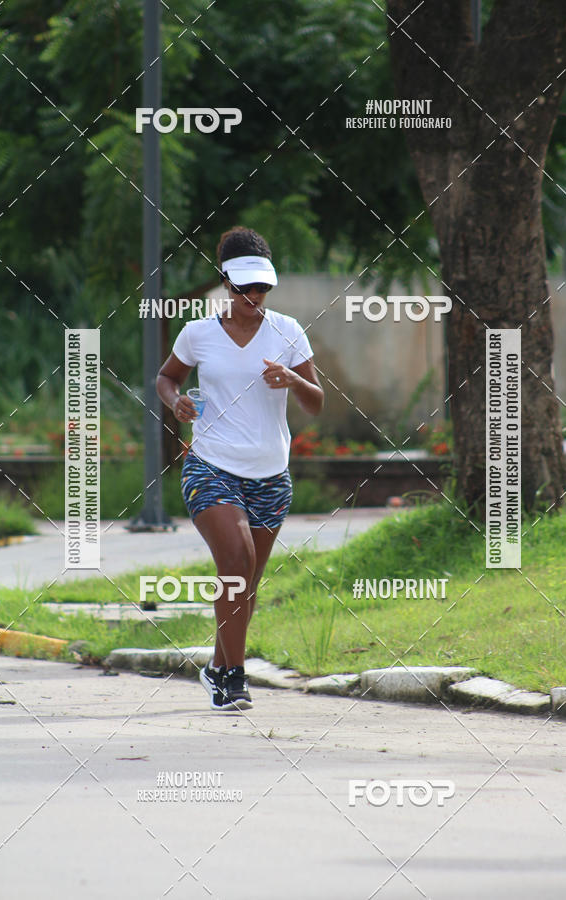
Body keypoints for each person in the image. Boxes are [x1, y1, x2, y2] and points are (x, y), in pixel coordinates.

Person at [156, 227, 324, 711]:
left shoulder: (288, 331)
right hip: (211, 465)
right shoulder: (199, 333)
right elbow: (168, 378)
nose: (254, 297)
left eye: (262, 288)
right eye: (244, 288)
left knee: (248, 580)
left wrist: (293, 379)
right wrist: (176, 402)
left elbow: (316, 404)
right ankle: (233, 676)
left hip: (272, 474)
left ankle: (215, 668)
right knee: (235, 563)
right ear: (224, 284)